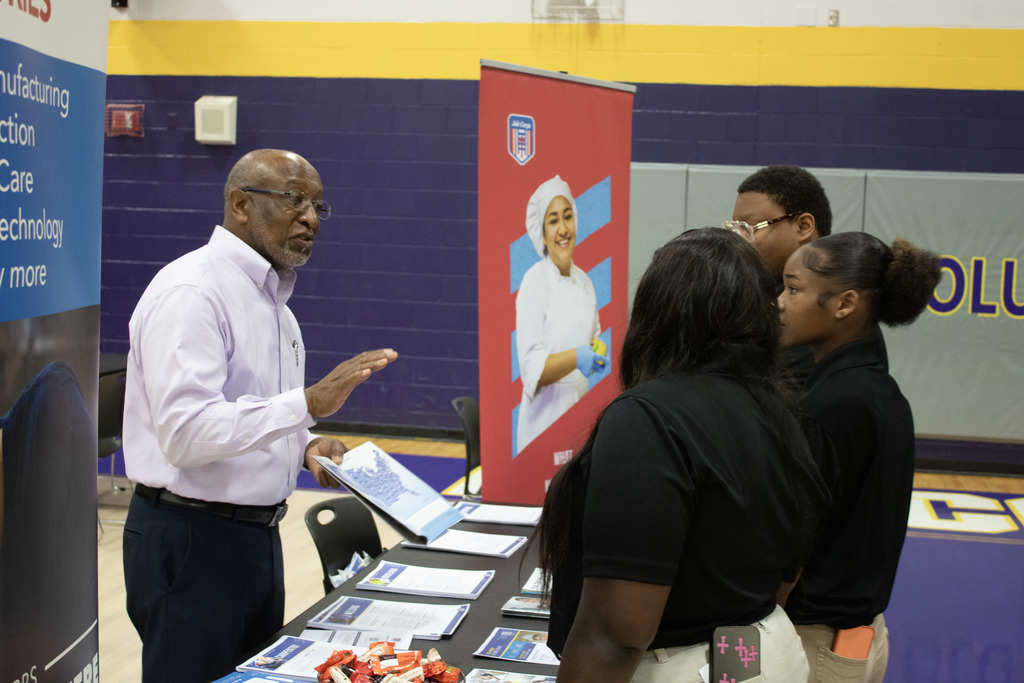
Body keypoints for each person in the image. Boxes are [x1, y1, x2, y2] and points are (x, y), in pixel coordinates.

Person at [121, 148, 399, 683]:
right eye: (294, 199)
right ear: (241, 204)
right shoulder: (192, 293)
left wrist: (306, 445)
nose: (311, 218)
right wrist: (307, 404)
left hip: (257, 538)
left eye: (319, 206)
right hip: (190, 539)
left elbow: (259, 416)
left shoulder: (278, 309)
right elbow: (186, 435)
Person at [535, 228, 830, 682]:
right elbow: (785, 576)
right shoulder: (781, 411)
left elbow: (617, 632)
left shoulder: (646, 417)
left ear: (657, 311)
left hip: (676, 666)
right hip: (763, 648)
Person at [776, 231, 942, 683]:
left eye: (793, 289)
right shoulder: (884, 394)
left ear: (845, 303)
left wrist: (755, 621)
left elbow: (792, 546)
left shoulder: (828, 406)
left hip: (814, 647)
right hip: (863, 641)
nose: (780, 302)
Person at [515, 175, 607, 453]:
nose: (563, 228)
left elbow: (593, 336)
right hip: (542, 423)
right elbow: (533, 370)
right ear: (542, 234)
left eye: (568, 217)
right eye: (553, 221)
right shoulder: (534, 283)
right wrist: (579, 356)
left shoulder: (585, 281)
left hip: (578, 417)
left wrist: (596, 348)